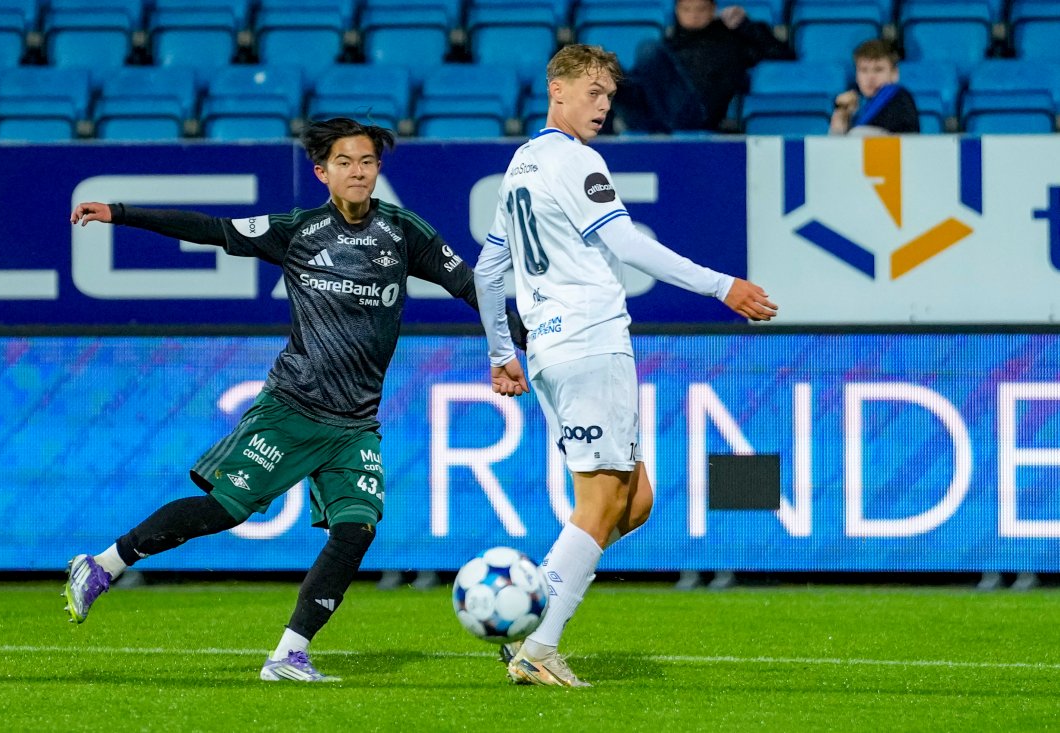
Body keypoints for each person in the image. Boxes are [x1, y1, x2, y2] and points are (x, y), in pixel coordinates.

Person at [64, 117, 526, 683]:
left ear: (378, 169)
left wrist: (519, 343)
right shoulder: (298, 231)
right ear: (322, 172)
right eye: (345, 162)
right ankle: (103, 565)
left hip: (355, 425)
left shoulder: (404, 232)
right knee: (222, 511)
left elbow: (472, 286)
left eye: (367, 162)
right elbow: (211, 228)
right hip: (291, 410)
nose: (358, 172)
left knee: (356, 528)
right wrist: (123, 213)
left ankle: (288, 654)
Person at [474, 44, 778, 687]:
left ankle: (532, 612)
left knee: (633, 502)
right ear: (556, 89)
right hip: (589, 342)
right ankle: (536, 645)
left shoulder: (519, 165)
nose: (603, 106)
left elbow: (487, 269)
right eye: (592, 92)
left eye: (609, 95)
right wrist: (720, 285)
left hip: (553, 351)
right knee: (604, 498)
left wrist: (504, 350)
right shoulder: (574, 160)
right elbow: (623, 243)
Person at [613, 0, 793, 133]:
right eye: (687, 9)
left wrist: (746, 26)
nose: (694, 14)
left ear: (713, 9)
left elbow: (782, 54)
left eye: (700, 9)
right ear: (677, 11)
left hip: (698, 116)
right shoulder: (669, 46)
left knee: (647, 48)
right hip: (656, 118)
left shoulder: (731, 40)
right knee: (602, 71)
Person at [829, 39, 920, 135]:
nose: (870, 77)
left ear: (895, 74)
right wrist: (841, 116)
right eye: (864, 70)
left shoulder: (900, 99)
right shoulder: (858, 105)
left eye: (878, 70)